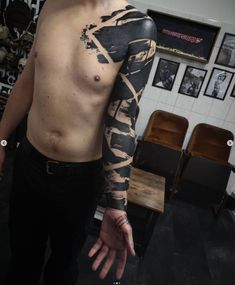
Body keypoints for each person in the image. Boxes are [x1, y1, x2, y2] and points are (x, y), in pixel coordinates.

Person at [0, 0, 157, 284]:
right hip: (29, 163)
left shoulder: (138, 29)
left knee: (63, 266)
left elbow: (122, 119)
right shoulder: (52, 6)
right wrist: (0, 138)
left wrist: (117, 205)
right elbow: (28, 80)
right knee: (21, 257)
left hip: (80, 179)